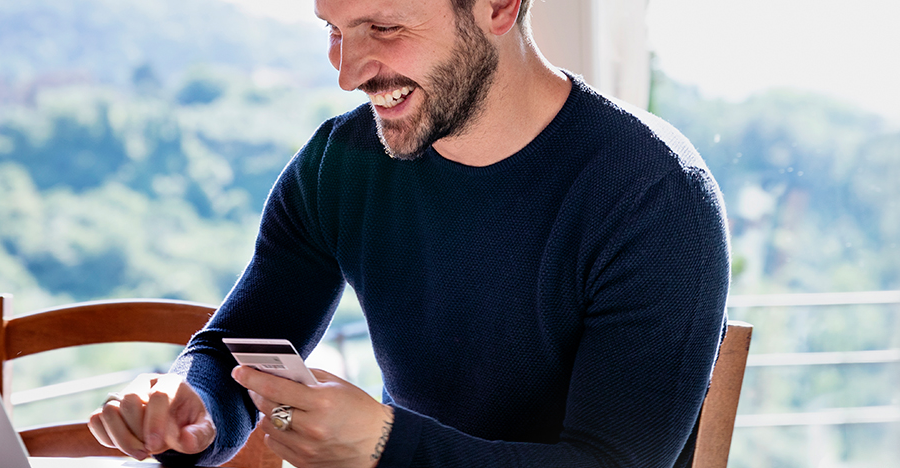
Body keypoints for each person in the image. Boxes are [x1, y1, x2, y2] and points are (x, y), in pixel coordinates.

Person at [85, 0, 730, 465]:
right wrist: (187, 406)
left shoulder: (655, 197)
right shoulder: (342, 164)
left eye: (384, 28)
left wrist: (382, 445)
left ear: (499, 6)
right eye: (334, 31)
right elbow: (239, 346)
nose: (348, 72)